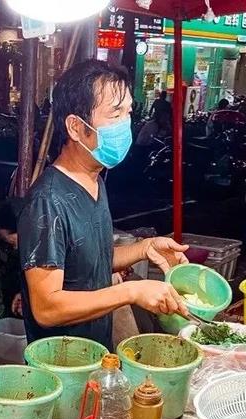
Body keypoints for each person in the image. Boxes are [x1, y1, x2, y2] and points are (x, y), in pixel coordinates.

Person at [17, 60, 188, 351]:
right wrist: (131, 291)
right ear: (75, 127)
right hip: (61, 367)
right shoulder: (47, 202)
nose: (125, 124)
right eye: (114, 113)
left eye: (128, 113)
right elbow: (47, 308)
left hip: (95, 355)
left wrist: (144, 249)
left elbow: (89, 265)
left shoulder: (95, 181)